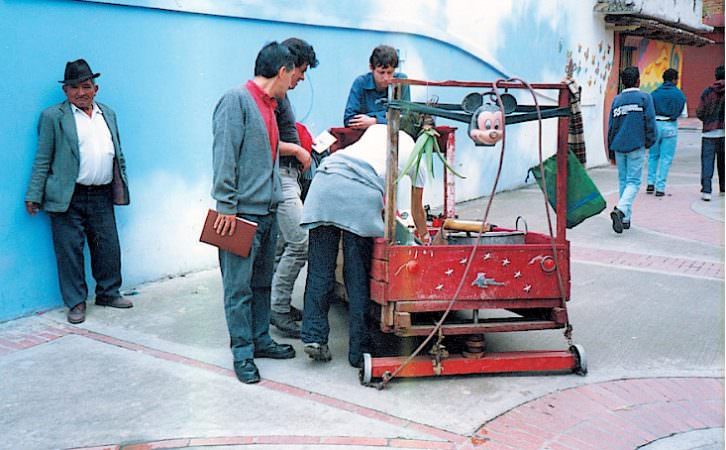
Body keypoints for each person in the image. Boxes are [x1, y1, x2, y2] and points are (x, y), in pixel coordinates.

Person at [300, 124, 429, 368]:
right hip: (360, 192)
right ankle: (358, 351)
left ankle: (314, 337)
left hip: (325, 181)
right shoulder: (417, 157)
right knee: (356, 272)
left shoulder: (377, 130)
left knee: (320, 268)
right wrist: (423, 235)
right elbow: (416, 210)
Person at [211, 42, 296, 384]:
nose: (293, 83)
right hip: (240, 213)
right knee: (238, 286)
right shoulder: (236, 101)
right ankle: (242, 351)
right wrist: (225, 206)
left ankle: (260, 338)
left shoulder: (270, 106)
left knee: (262, 282)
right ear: (282, 72)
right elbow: (224, 155)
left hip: (267, 210)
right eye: (292, 76)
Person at [25, 59, 132, 325]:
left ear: (95, 88)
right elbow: (42, 159)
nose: (80, 93)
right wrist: (34, 195)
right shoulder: (53, 117)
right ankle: (76, 303)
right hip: (67, 196)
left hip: (102, 194)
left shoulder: (108, 114)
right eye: (74, 88)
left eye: (85, 86)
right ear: (65, 91)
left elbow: (117, 153)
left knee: (107, 246)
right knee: (69, 251)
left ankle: (108, 293)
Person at [270, 38, 318, 339]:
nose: (302, 78)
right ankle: (278, 307)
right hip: (282, 176)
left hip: (288, 176)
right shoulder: (274, 96)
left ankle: (276, 304)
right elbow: (263, 141)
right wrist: (298, 152)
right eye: (300, 71)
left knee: (281, 247)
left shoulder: (282, 97)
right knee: (301, 241)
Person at [607, 66, 656, 233]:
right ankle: (621, 210)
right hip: (636, 145)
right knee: (633, 182)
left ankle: (625, 218)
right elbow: (649, 121)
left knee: (623, 181)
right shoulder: (644, 98)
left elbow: (611, 127)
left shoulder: (617, 100)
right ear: (638, 80)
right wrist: (649, 141)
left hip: (619, 145)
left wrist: (610, 151)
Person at [343, 45, 410, 129]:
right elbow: (349, 119)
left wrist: (375, 121)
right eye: (381, 72)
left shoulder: (401, 81)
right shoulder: (360, 82)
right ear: (371, 68)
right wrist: (387, 116)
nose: (386, 78)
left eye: (390, 72)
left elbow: (407, 120)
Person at [646, 68, 686, 197]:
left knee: (653, 156)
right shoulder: (680, 95)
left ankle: (650, 183)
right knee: (666, 158)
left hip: (655, 125)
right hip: (670, 125)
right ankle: (660, 187)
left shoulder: (654, 93)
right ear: (674, 79)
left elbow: (649, 112)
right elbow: (683, 114)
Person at [696, 65, 725, 202]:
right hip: (724, 132)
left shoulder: (707, 92)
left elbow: (700, 112)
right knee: (723, 162)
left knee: (707, 162)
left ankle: (707, 191)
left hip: (708, 132)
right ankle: (723, 187)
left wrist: (707, 121)